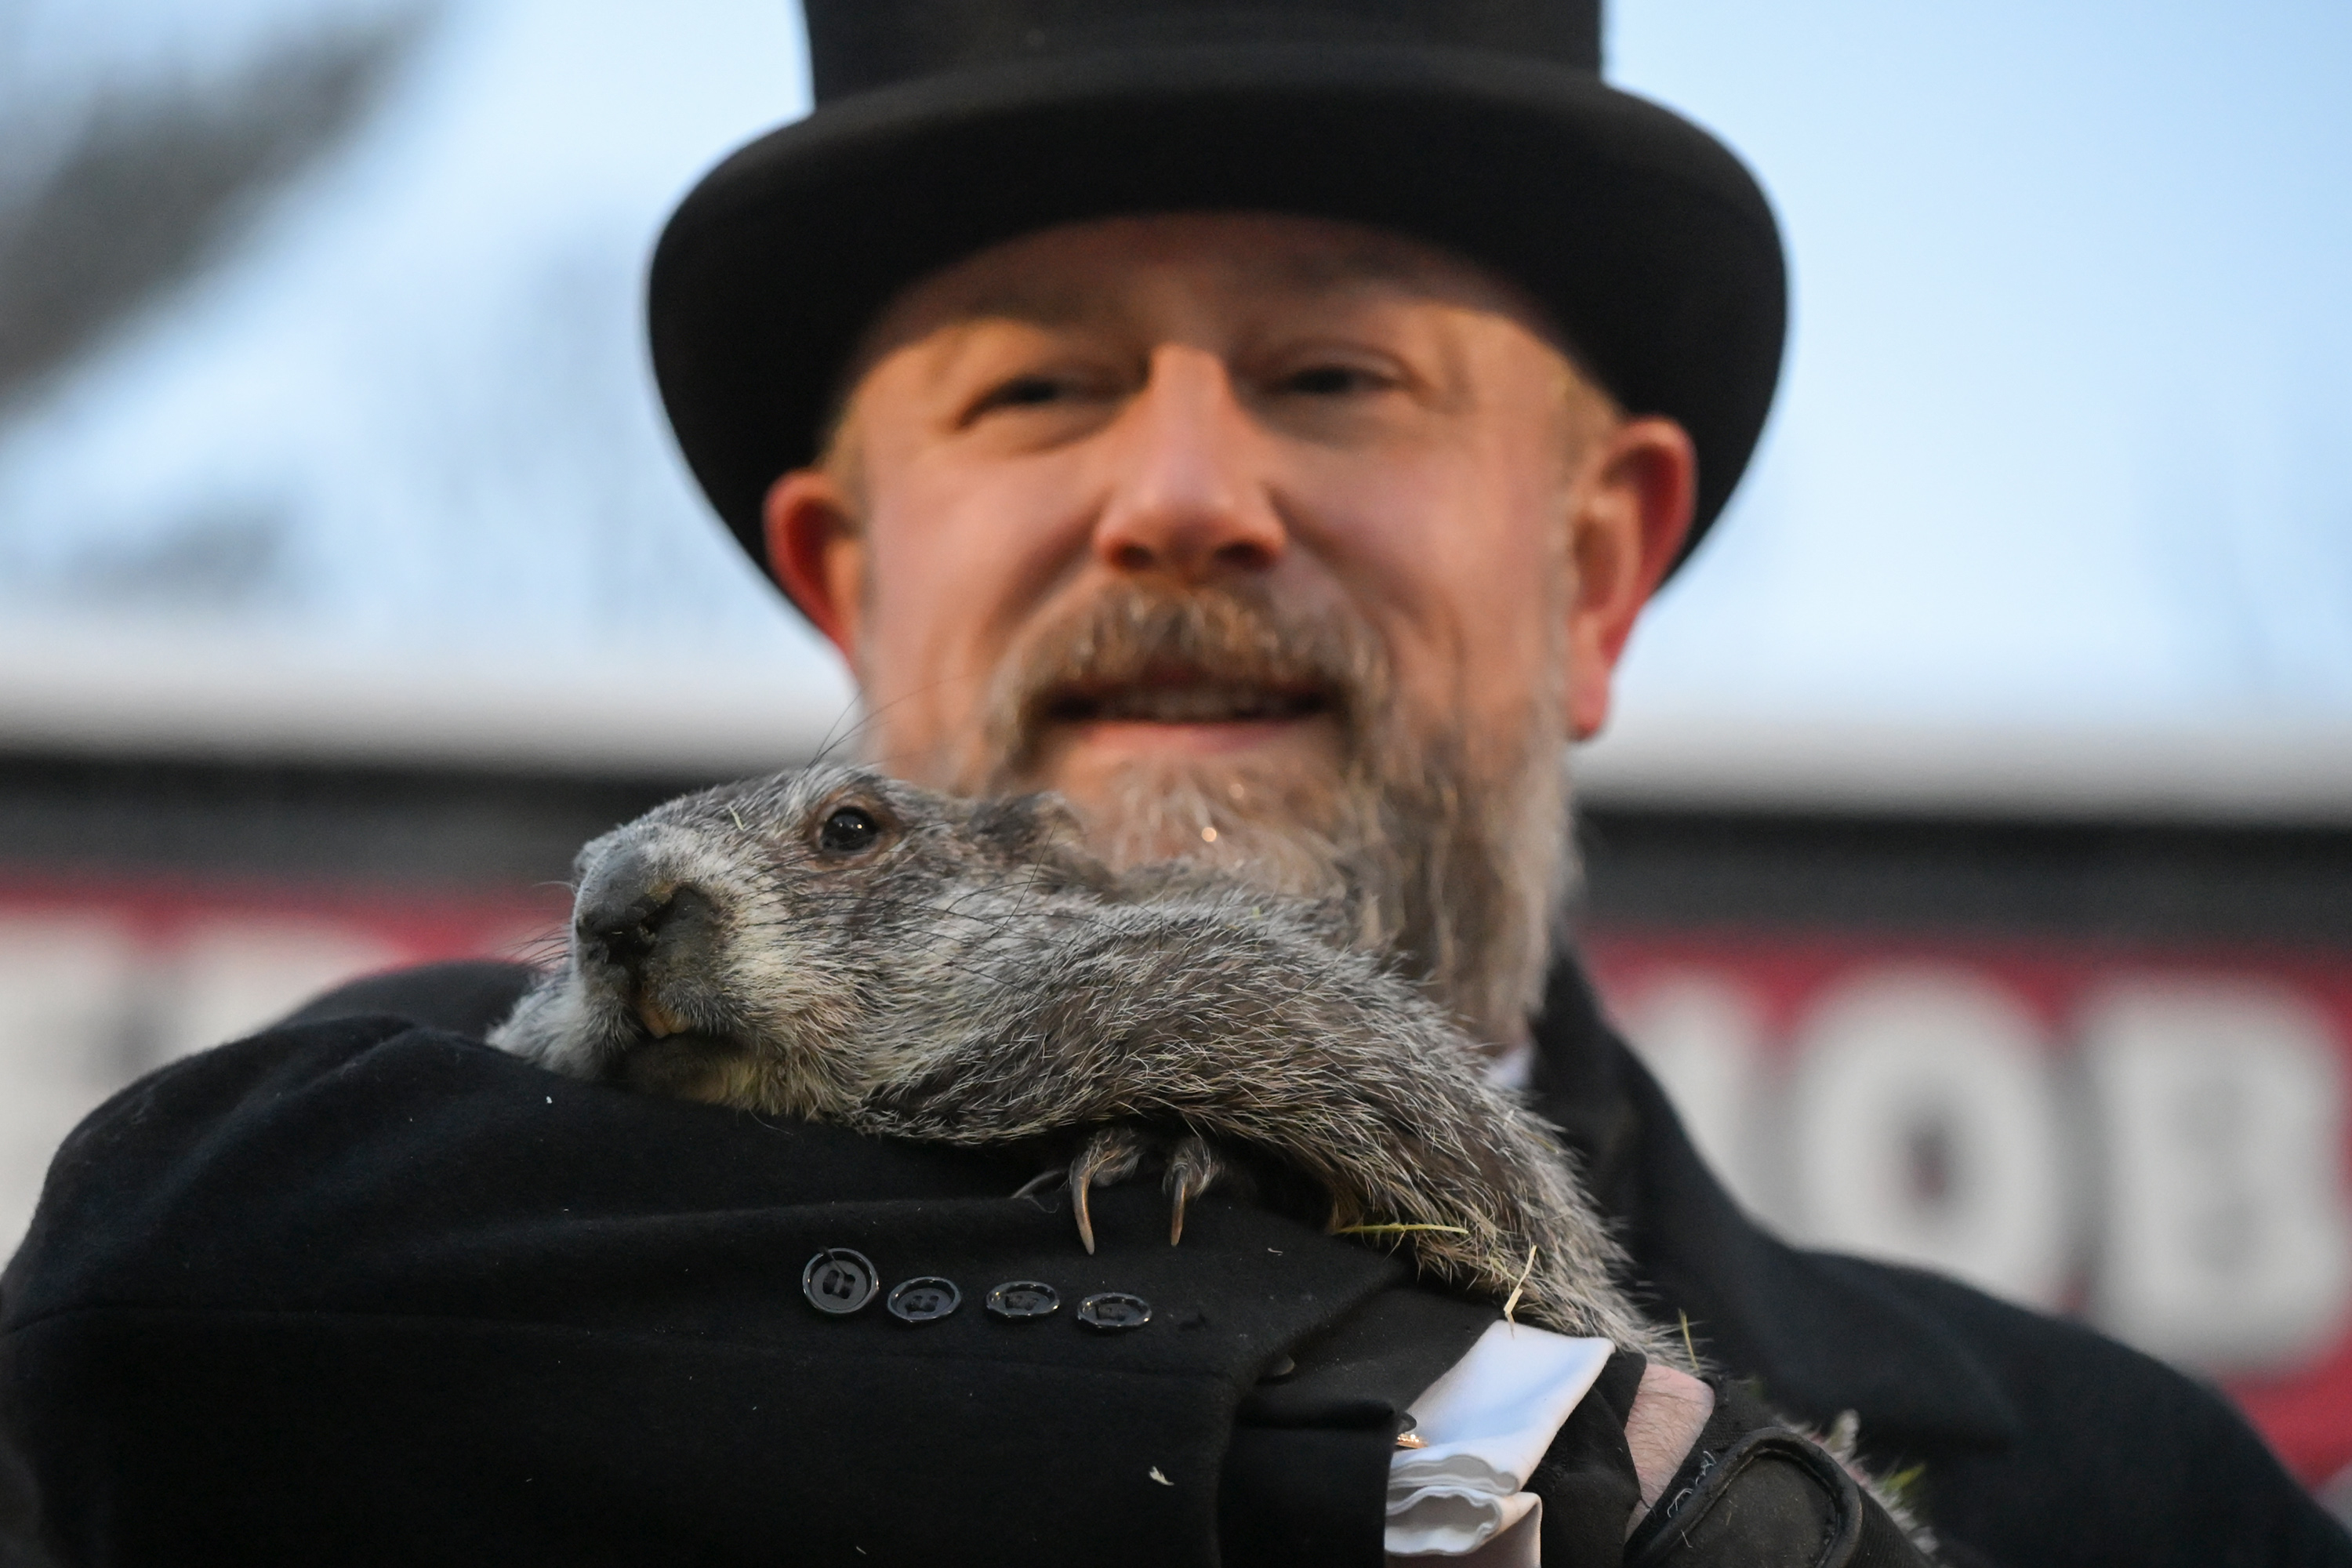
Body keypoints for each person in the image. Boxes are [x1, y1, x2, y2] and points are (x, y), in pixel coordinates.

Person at [2, 3, 2345, 1565]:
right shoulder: (336, 1208)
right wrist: (1457, 1433)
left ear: (1600, 569)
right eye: (1036, 393)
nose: (1186, 498)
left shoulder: (2131, 1497)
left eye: (1337, 373)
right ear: (846, 583)